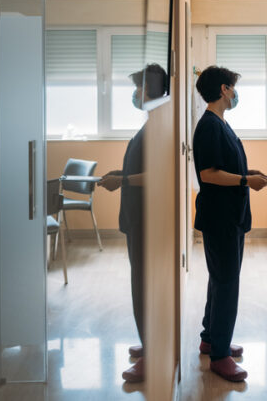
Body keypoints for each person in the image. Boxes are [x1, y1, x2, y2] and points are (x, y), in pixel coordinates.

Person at [192, 65, 267, 382]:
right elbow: (208, 174)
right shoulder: (209, 126)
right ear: (224, 89)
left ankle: (210, 338)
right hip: (220, 219)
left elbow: (230, 167)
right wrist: (244, 180)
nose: (235, 93)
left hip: (229, 217)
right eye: (233, 88)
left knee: (220, 279)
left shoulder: (221, 124)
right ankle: (220, 356)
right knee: (227, 285)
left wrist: (249, 176)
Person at [98, 63, 168, 384]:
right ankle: (150, 345)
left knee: (144, 287)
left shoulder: (158, 127)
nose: (135, 94)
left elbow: (163, 175)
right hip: (138, 217)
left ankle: (153, 357)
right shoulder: (151, 124)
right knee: (141, 283)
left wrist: (122, 179)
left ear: (150, 92)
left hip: (146, 220)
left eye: (138, 89)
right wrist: (119, 175)